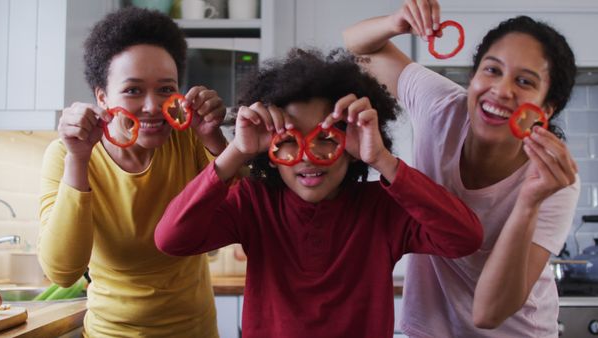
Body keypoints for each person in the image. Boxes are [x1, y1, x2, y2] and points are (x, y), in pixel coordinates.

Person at [154, 48, 484, 338]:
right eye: (289, 139)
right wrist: (237, 151)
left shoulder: (383, 208)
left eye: (326, 138)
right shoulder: (254, 202)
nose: (309, 156)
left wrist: (382, 159)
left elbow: (464, 238)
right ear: (270, 149)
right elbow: (171, 238)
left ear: (352, 145)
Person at [344, 1, 580, 337]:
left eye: (525, 82)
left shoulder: (555, 182)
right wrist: (395, 22)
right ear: (473, 77)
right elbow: (359, 46)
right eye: (492, 70)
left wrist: (529, 202)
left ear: (546, 109)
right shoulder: (441, 106)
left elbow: (488, 313)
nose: (501, 90)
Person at [38, 7, 227, 337]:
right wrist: (78, 160)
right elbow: (62, 271)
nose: (153, 106)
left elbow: (249, 217)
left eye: (166, 89)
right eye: (133, 90)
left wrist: (215, 139)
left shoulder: (191, 140)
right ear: (102, 96)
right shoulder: (66, 156)